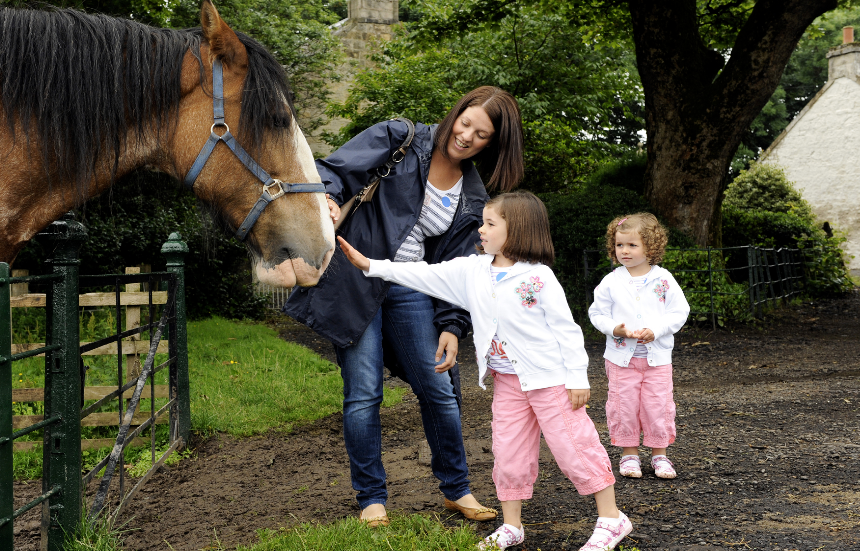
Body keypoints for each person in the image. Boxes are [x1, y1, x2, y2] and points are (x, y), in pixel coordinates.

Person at [336, 191, 633, 551]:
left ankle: (611, 518)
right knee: (508, 452)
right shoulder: (472, 269)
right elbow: (423, 273)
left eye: (490, 224)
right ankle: (512, 526)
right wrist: (371, 265)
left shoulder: (539, 277)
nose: (481, 229)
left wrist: (577, 376)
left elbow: (566, 329)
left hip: (550, 381)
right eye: (483, 222)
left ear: (518, 230)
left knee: (573, 446)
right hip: (507, 382)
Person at [284, 86, 524, 527]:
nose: (467, 135)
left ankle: (457, 490)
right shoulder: (401, 138)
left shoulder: (473, 195)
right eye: (466, 122)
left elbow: (460, 269)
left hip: (409, 286)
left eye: (483, 134)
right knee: (364, 392)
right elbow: (334, 169)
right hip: (355, 277)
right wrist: (331, 199)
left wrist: (452, 325)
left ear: (494, 143)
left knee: (441, 391)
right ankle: (371, 498)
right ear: (455, 114)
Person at [588, 214, 690, 479]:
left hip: (657, 361)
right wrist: (614, 329)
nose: (625, 251)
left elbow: (679, 312)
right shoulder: (611, 281)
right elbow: (597, 313)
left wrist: (657, 331)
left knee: (658, 405)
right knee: (624, 406)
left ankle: (660, 456)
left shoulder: (663, 279)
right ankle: (629, 454)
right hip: (622, 359)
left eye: (632, 245)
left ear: (650, 247)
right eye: (620, 245)